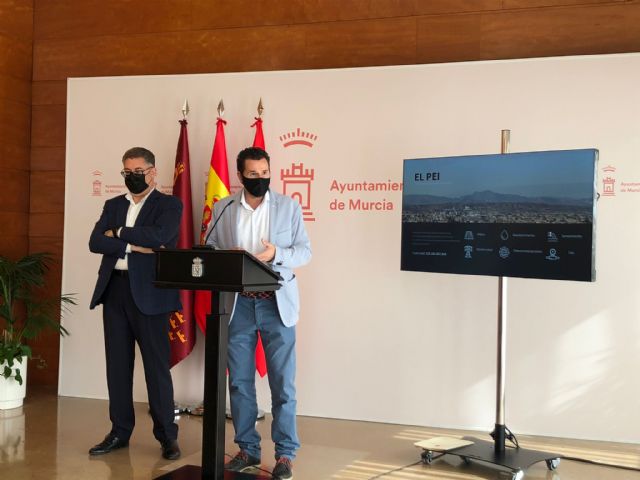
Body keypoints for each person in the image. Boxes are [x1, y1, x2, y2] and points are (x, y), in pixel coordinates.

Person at [207, 147, 311, 480]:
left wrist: (275, 253)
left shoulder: (288, 207)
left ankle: (285, 454)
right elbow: (210, 247)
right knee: (239, 382)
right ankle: (248, 449)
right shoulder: (224, 208)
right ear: (240, 176)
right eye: (253, 174)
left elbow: (304, 252)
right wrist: (225, 256)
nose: (260, 179)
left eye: (265, 173)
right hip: (238, 305)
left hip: (275, 305)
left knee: (283, 384)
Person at [88, 147, 182, 460]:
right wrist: (132, 246)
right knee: (117, 366)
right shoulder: (113, 204)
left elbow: (160, 237)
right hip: (114, 290)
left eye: (138, 172)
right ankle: (119, 431)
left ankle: (167, 436)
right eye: (127, 172)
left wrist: (118, 234)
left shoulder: (169, 204)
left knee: (156, 368)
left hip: (151, 295)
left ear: (153, 172)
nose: (132, 177)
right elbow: (95, 241)